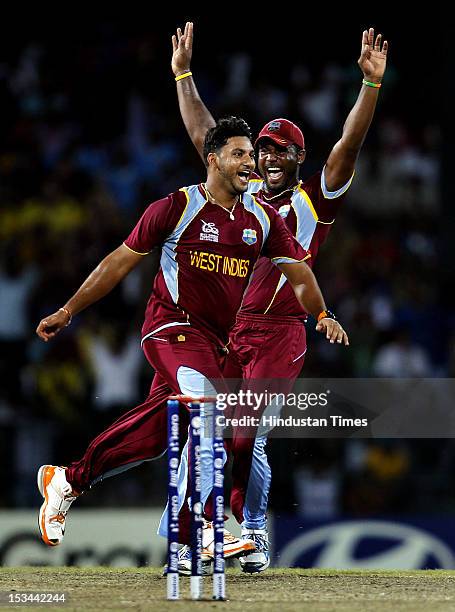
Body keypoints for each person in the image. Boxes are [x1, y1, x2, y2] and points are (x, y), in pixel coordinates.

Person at [36, 117, 348, 568]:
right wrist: (68, 310)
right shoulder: (177, 206)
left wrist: (321, 313)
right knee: (210, 410)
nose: (251, 163)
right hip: (170, 328)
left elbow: (299, 272)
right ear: (214, 159)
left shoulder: (259, 218)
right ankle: (199, 528)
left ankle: (68, 479)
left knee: (157, 436)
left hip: (215, 344)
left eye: (251, 154)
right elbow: (118, 262)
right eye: (241, 154)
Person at [170, 21, 387, 572]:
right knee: (228, 440)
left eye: (280, 149)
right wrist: (184, 75)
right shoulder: (238, 195)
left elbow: (349, 146)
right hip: (227, 334)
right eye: (262, 147)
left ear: (297, 157)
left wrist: (369, 86)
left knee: (247, 434)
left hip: (282, 335)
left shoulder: (317, 200)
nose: (267, 156)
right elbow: (206, 138)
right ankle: (233, 533)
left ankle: (256, 534)